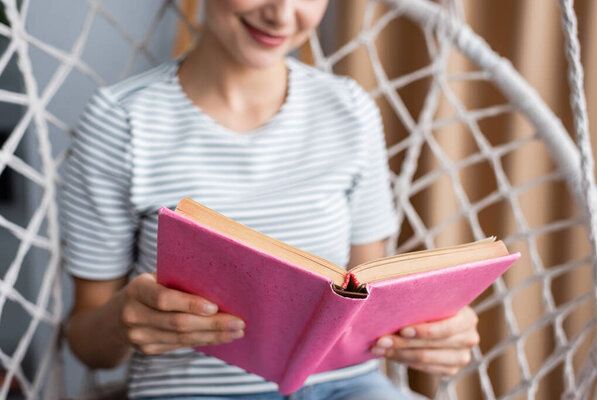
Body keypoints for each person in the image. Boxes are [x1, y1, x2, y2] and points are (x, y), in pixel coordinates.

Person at [62, 1, 480, 399]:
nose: (281, 14)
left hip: (347, 385)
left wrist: (439, 326)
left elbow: (371, 290)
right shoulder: (120, 121)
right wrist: (122, 322)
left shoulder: (350, 110)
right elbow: (88, 343)